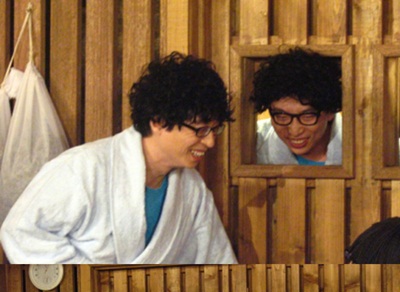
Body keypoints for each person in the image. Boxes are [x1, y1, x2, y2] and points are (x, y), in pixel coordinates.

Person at [0, 52, 237, 264]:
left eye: (214, 130)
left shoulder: (192, 189)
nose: (210, 142)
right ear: (158, 121)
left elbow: (217, 260)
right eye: (201, 130)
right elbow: (20, 231)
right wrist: (89, 280)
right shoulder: (85, 168)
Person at [252, 47, 342, 165]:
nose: (294, 131)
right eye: (281, 116)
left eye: (307, 116)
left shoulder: (359, 146)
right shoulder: (253, 145)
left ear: (330, 112)